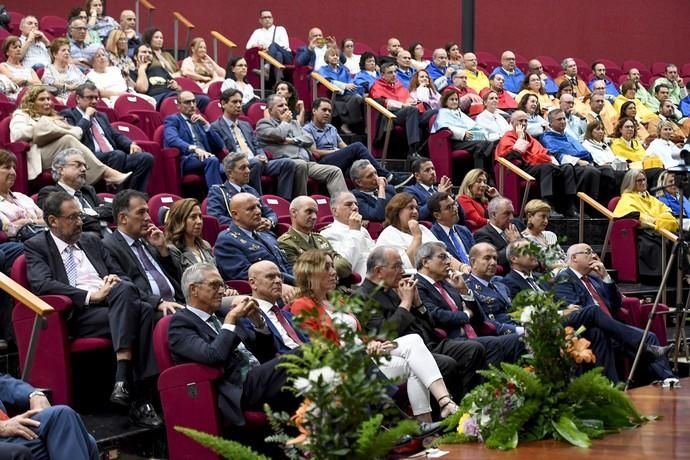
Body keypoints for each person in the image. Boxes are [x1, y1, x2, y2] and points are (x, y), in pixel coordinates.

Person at [25, 191, 162, 427]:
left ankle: (125, 385)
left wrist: (110, 284)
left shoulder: (91, 240)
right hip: (78, 313)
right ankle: (139, 395)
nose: (79, 222)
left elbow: (117, 273)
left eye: (79, 216)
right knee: (143, 312)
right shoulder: (36, 246)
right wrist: (91, 295)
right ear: (53, 221)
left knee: (128, 292)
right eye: (71, 218)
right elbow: (42, 284)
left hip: (113, 304)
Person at [289, 249, 459, 421]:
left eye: (332, 266)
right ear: (310, 272)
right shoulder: (301, 305)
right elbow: (319, 345)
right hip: (347, 365)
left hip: (367, 353)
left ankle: (437, 412)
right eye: (326, 267)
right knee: (414, 361)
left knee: (413, 344)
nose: (333, 272)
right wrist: (365, 348)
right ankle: (433, 419)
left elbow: (357, 333)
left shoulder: (337, 300)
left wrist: (371, 343)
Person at [168, 262, 297, 426]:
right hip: (238, 388)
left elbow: (265, 354)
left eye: (222, 285)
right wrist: (230, 321)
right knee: (304, 355)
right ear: (194, 289)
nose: (222, 291)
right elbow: (213, 356)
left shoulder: (221, 315)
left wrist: (259, 325)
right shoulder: (180, 324)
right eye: (215, 285)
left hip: (258, 379)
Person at [359, 246, 486, 402]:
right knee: (447, 364)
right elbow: (385, 333)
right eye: (397, 266)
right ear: (379, 271)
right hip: (408, 353)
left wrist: (418, 304)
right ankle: (454, 410)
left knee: (474, 349)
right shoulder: (363, 296)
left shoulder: (393, 288)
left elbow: (430, 325)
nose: (402, 270)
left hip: (430, 342)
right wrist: (406, 302)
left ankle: (471, 401)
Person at [552, 243, 675, 382]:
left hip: (612, 326)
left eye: (593, 252)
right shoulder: (564, 279)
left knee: (649, 337)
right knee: (634, 341)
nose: (593, 255)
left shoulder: (594, 278)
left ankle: (669, 379)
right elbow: (576, 311)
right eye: (587, 252)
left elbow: (616, 304)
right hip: (589, 329)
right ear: (574, 258)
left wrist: (605, 276)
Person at [10, 86, 129, 185]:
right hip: (36, 155)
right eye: (41, 99)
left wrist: (55, 127)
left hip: (58, 154)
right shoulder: (21, 114)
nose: (47, 102)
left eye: (48, 99)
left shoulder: (56, 117)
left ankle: (94, 186)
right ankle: (106, 173)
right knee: (67, 139)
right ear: (31, 102)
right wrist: (42, 127)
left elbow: (77, 133)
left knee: (69, 139)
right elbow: (17, 135)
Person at [61, 82, 154, 192]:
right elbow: (75, 135)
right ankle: (116, 197)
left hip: (114, 157)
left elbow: (115, 136)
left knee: (145, 158)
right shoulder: (68, 115)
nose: (94, 101)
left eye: (96, 98)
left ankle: (134, 195)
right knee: (117, 154)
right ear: (78, 98)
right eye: (90, 97)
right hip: (90, 158)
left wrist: (130, 144)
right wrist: (87, 116)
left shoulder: (101, 116)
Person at [103, 189, 186, 313]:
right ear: (123, 218)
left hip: (177, 302)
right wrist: (157, 303)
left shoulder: (149, 241)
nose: (148, 218)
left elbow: (178, 279)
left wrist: (163, 250)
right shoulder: (109, 246)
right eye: (141, 213)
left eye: (147, 212)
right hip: (150, 309)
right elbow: (125, 287)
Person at [255, 94, 347, 197]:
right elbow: (279, 135)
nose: (285, 107)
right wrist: (285, 122)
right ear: (271, 110)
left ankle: (343, 204)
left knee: (335, 171)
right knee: (301, 164)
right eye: (281, 105)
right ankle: (301, 203)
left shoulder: (294, 123)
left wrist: (292, 140)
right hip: (288, 162)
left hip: (309, 163)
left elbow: (308, 140)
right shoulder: (263, 124)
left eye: (286, 105)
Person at [211, 89, 295, 199]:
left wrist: (262, 156)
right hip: (237, 164)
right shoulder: (215, 127)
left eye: (240, 102)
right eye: (234, 102)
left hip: (257, 161)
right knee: (255, 163)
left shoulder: (246, 125)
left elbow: (257, 146)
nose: (238, 105)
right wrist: (250, 160)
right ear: (223, 104)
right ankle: (257, 201)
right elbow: (224, 152)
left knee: (288, 163)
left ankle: (283, 201)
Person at [302, 98, 405, 186]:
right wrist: (337, 152)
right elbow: (315, 152)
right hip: (322, 163)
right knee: (357, 146)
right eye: (324, 110)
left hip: (338, 160)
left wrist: (350, 154)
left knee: (361, 163)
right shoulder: (307, 129)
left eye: (329, 111)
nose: (327, 113)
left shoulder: (331, 128)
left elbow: (343, 146)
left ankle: (380, 185)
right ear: (314, 111)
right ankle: (388, 176)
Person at [496, 110, 580, 217]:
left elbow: (543, 152)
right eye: (520, 121)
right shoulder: (508, 137)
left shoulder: (529, 137)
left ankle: (570, 206)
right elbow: (511, 156)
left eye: (526, 121)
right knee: (547, 167)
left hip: (537, 165)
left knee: (567, 168)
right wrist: (520, 138)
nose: (524, 123)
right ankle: (547, 205)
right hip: (521, 168)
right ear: (512, 123)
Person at [0, 373, 99, 459]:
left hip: (9, 427)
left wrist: (34, 394)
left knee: (87, 440)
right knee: (62, 416)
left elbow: (3, 382)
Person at [214, 192, 295, 287]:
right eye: (251, 209)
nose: (258, 211)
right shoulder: (227, 240)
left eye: (258, 206)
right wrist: (284, 284)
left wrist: (302, 282)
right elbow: (246, 275)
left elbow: (285, 265)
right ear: (235, 215)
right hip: (265, 291)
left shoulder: (266, 234)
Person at [613, 169, 677, 277]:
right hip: (644, 231)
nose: (643, 183)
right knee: (665, 240)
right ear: (631, 182)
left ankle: (681, 274)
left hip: (658, 227)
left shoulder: (650, 197)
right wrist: (655, 221)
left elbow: (666, 210)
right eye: (639, 181)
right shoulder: (627, 198)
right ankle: (668, 276)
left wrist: (664, 219)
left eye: (644, 180)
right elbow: (633, 215)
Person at [369, 62, 435, 159]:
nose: (394, 74)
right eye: (390, 72)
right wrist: (403, 105)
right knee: (411, 110)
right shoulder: (377, 86)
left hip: (410, 113)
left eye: (395, 72)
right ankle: (412, 151)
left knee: (436, 112)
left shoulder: (399, 85)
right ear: (382, 75)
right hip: (391, 115)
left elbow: (407, 99)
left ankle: (428, 148)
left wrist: (414, 102)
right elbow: (383, 102)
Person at [375, 193, 455, 272]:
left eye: (416, 208)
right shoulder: (389, 234)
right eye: (411, 207)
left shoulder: (422, 228)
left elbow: (444, 254)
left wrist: (463, 267)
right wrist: (417, 237)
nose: (415, 211)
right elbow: (407, 265)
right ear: (397, 211)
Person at [37, 149, 110, 235]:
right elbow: (67, 219)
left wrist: (89, 213)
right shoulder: (50, 193)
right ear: (61, 170)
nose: (83, 169)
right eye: (78, 165)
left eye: (85, 166)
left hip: (105, 236)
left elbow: (111, 209)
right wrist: (98, 218)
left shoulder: (88, 190)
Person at [277, 196, 352, 280]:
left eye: (316, 213)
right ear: (294, 212)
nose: (314, 217)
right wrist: (331, 265)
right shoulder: (285, 243)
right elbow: (302, 275)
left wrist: (317, 265)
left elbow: (345, 267)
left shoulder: (320, 239)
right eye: (309, 211)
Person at [163, 90, 225, 187]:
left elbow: (220, 145)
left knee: (232, 168)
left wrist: (206, 125)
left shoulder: (199, 120)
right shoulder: (173, 120)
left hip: (206, 157)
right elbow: (172, 139)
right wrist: (194, 149)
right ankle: (217, 197)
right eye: (187, 102)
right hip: (188, 159)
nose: (192, 105)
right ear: (178, 106)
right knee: (212, 161)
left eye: (193, 101)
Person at [540, 109, 603, 202]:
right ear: (551, 123)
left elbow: (582, 150)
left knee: (608, 170)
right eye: (559, 119)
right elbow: (557, 155)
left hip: (585, 162)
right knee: (591, 171)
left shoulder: (568, 135)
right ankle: (584, 205)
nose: (563, 121)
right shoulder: (547, 137)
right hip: (569, 165)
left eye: (564, 119)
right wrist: (578, 161)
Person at [247, 260, 309, 353]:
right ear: (253, 283)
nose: (278, 281)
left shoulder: (289, 315)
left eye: (279, 276)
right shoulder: (248, 317)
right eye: (270, 277)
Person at [206, 152, 279, 229]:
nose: (248, 171)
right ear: (230, 173)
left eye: (248, 167)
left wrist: (269, 222)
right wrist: (248, 224)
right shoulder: (218, 191)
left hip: (262, 234)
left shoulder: (251, 190)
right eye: (243, 168)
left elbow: (270, 213)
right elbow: (215, 217)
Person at [431, 89, 496, 175]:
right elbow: (444, 127)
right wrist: (462, 134)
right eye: (451, 99)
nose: (455, 102)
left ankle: (483, 175)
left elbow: (473, 125)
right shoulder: (443, 112)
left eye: (456, 99)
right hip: (454, 142)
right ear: (445, 101)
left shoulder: (459, 112)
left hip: (467, 140)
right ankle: (479, 176)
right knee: (482, 145)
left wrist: (481, 133)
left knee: (487, 144)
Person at [464, 242, 523, 334]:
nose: (493, 263)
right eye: (487, 258)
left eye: (495, 258)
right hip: (501, 336)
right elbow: (485, 323)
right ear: (473, 262)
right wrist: (520, 330)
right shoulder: (468, 289)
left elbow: (514, 313)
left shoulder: (501, 286)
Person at [130, 44, 210, 111]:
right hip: (156, 99)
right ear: (135, 57)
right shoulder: (133, 72)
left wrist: (176, 86)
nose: (147, 54)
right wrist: (141, 69)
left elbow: (178, 88)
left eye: (150, 53)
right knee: (173, 97)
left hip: (172, 95)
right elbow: (142, 90)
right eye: (144, 52)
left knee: (204, 100)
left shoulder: (159, 68)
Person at [320, 191, 376, 282]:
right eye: (349, 204)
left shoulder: (362, 230)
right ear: (335, 211)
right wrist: (354, 231)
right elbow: (345, 267)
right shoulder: (328, 234)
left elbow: (375, 254)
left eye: (356, 204)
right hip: (358, 285)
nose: (355, 207)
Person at [0, 150, 44, 239]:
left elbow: (47, 221)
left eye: (14, 168)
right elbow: (7, 230)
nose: (13, 172)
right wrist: (36, 221)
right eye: (7, 167)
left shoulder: (22, 197)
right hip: (20, 244)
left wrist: (26, 222)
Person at [318, 47, 364, 133]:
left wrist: (351, 86)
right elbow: (328, 81)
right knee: (357, 98)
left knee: (361, 99)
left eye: (337, 55)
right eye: (332, 55)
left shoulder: (343, 69)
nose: (335, 57)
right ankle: (347, 124)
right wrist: (345, 86)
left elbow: (351, 80)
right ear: (327, 58)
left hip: (347, 94)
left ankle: (348, 124)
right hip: (334, 95)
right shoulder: (323, 69)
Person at [164, 198, 214, 271]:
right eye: (193, 217)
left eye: (200, 216)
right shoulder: (172, 250)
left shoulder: (205, 245)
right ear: (179, 220)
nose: (199, 221)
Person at [473, 197, 521, 272]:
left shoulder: (514, 227)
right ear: (494, 214)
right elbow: (495, 260)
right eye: (507, 213)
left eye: (512, 213)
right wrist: (513, 244)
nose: (511, 218)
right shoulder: (482, 234)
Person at [428, 192, 474, 265]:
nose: (455, 209)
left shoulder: (464, 230)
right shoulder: (433, 236)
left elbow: (476, 255)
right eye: (448, 207)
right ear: (437, 215)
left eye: (454, 204)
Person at [521, 199, 567, 270]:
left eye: (547, 217)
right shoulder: (524, 239)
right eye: (543, 216)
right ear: (530, 216)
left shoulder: (550, 235)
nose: (546, 221)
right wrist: (569, 266)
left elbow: (563, 256)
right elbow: (546, 263)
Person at [40, 37, 87, 102]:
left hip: (80, 99)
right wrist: (68, 87)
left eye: (68, 50)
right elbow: (49, 82)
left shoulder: (73, 68)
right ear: (55, 54)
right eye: (63, 50)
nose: (67, 53)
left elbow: (85, 81)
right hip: (61, 100)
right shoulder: (49, 69)